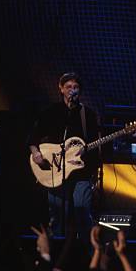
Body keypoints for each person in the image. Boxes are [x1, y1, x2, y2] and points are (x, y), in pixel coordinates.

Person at [28, 72, 100, 244]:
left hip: (81, 173)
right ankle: (55, 259)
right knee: (58, 217)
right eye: (68, 87)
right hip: (55, 171)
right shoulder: (51, 112)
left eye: (75, 88)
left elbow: (95, 145)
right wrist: (36, 153)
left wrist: (91, 163)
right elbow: (32, 138)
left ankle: (86, 256)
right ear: (60, 89)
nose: (72, 91)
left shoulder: (87, 114)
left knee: (82, 213)